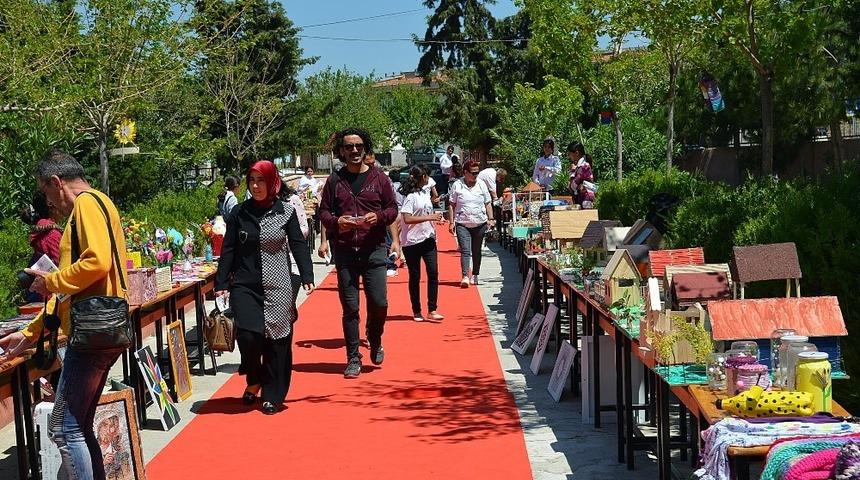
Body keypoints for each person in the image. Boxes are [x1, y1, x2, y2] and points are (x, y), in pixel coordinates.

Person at [0, 149, 128, 480]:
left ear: (56, 182)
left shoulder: (86, 204)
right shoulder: (100, 203)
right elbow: (78, 286)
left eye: (46, 192)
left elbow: (96, 263)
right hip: (102, 325)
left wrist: (51, 280)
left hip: (91, 330)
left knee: (65, 427)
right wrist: (31, 332)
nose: (49, 203)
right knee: (78, 425)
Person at [214, 160, 314, 414]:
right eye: (252, 181)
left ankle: (273, 393)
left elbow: (298, 244)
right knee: (248, 335)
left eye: (261, 181)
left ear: (272, 183)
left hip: (278, 284)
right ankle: (254, 378)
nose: (256, 186)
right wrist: (222, 281)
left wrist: (306, 274)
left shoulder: (286, 212)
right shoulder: (240, 213)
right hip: (245, 284)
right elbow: (229, 249)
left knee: (277, 340)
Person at [318, 127, 398, 379]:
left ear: (366, 149)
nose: (354, 151)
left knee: (379, 303)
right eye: (349, 147)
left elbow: (393, 209)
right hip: (345, 252)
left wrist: (379, 217)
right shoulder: (334, 181)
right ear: (341, 151)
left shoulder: (380, 178)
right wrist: (336, 222)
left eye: (359, 146)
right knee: (350, 307)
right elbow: (323, 213)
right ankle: (353, 357)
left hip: (374, 249)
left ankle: (375, 338)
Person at [398, 165, 444, 322]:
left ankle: (432, 309)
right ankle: (416, 309)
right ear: (422, 177)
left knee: (433, 272)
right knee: (415, 275)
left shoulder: (426, 193)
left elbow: (427, 212)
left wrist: (436, 217)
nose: (429, 179)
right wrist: (430, 218)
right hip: (411, 241)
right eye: (427, 176)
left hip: (428, 237)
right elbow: (407, 218)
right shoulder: (410, 197)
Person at [448, 160, 495, 287]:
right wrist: (451, 222)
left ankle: (475, 274)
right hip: (462, 223)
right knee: (465, 250)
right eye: (473, 173)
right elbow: (452, 205)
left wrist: (491, 218)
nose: (475, 175)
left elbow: (487, 202)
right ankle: (465, 276)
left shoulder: (481, 185)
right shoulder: (457, 185)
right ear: (465, 172)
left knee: (476, 250)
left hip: (480, 223)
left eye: (477, 173)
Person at [362, 153, 401, 277]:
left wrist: (396, 240)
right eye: (368, 164)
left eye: (373, 164)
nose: (371, 167)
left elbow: (390, 209)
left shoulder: (383, 180)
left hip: (378, 231)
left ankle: (389, 264)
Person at [567, 142, 596, 209]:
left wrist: (572, 172)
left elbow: (574, 185)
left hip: (586, 198)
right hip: (581, 197)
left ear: (576, 153)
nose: (569, 156)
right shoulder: (579, 166)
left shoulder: (584, 166)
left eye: (570, 154)